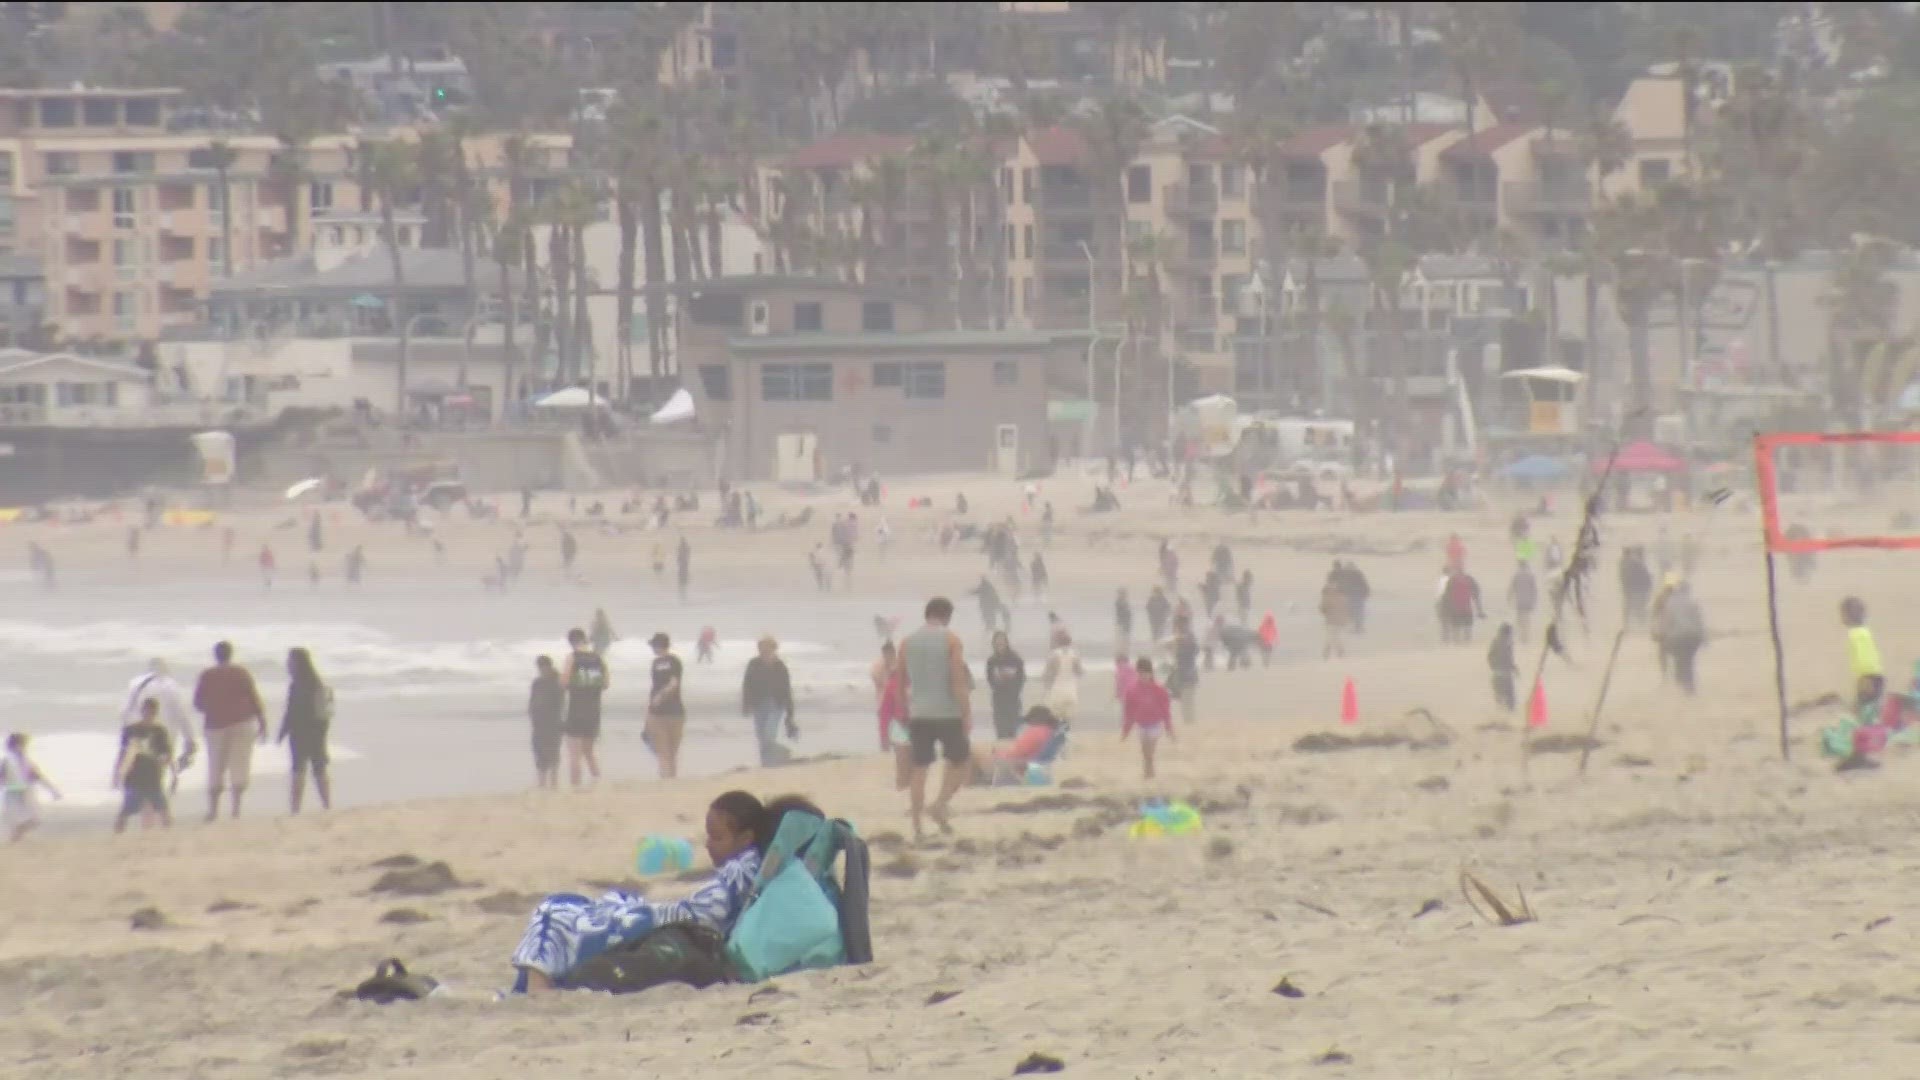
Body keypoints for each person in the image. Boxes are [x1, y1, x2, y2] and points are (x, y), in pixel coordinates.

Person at [509, 790, 771, 994]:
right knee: (593, 904)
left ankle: (538, 986)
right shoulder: (750, 869)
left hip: (675, 927)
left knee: (557, 909)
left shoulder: (740, 872)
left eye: (716, 837)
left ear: (746, 838)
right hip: (674, 923)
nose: (708, 845)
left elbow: (703, 915)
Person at [899, 597, 972, 841]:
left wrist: (903, 712)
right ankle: (939, 804)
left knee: (919, 768)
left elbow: (900, 682)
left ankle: (917, 828)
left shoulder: (906, 643)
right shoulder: (952, 640)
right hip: (948, 713)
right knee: (961, 761)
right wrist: (966, 711)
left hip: (919, 713)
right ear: (947, 616)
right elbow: (957, 678)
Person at [193, 641, 266, 822]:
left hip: (215, 725)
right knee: (239, 764)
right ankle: (235, 810)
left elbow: (198, 702)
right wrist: (262, 722)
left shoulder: (207, 675)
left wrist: (213, 708)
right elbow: (254, 697)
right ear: (231, 654)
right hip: (241, 722)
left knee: (215, 766)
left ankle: (213, 811)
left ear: (215, 655)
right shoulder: (241, 673)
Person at [277, 647, 333, 814]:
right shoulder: (317, 683)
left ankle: (295, 809)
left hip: (300, 731)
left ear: (297, 663)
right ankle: (327, 804)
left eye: (290, 661)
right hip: (317, 731)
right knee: (319, 769)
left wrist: (283, 731)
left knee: (298, 770)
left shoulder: (298, 685)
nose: (287, 664)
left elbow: (292, 711)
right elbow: (325, 712)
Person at [120, 659, 196, 777]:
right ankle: (156, 791)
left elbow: (125, 712)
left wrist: (126, 733)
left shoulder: (135, 684)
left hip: (139, 731)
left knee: (138, 766)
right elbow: (182, 714)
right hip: (164, 733)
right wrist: (189, 739)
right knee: (159, 770)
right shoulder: (172, 686)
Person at [113, 698, 173, 832]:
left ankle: (169, 836)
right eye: (147, 711)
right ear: (142, 711)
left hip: (153, 776)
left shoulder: (159, 731)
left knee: (163, 809)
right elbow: (123, 754)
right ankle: (117, 835)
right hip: (134, 776)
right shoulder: (131, 730)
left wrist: (171, 771)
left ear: (155, 713)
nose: (149, 715)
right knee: (126, 810)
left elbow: (167, 754)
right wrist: (117, 774)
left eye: (151, 712)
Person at [563, 628, 609, 788]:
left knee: (574, 753)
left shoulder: (572, 658)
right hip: (593, 710)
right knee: (589, 751)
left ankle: (575, 786)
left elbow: (565, 682)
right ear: (585, 640)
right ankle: (598, 780)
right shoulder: (597, 658)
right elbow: (605, 684)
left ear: (571, 642)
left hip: (576, 709)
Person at [741, 636, 798, 767]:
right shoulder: (753, 664)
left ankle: (783, 752)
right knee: (761, 738)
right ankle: (766, 764)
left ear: (773, 649)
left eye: (767, 649)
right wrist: (746, 704)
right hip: (758, 705)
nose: (764, 652)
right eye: (761, 649)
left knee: (768, 736)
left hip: (776, 705)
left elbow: (786, 690)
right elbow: (747, 684)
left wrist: (790, 714)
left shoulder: (780, 667)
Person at [1120, 657, 1174, 780]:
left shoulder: (1160, 690)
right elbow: (1129, 713)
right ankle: (1148, 772)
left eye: (1146, 673)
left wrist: (1169, 728)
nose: (1143, 676)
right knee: (1145, 753)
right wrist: (1125, 731)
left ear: (1151, 673)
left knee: (1150, 751)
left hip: (1155, 724)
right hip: (1141, 725)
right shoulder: (1132, 691)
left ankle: (1149, 774)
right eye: (1140, 673)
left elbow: (1166, 711)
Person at [2, 732, 59, 841]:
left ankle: (16, 835)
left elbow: (38, 776)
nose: (23, 748)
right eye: (20, 745)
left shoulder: (27, 761)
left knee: (35, 819)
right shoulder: (7, 761)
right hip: (12, 793)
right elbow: (2, 777)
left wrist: (52, 790)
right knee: (18, 819)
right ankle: (15, 838)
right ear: (12, 746)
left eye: (24, 745)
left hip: (27, 791)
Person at [647, 632, 686, 779]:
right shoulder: (675, 661)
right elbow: (674, 683)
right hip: (677, 711)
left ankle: (665, 780)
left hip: (659, 712)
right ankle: (672, 780)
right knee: (672, 752)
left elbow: (670, 684)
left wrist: (658, 697)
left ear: (657, 646)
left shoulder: (657, 663)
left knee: (662, 751)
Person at [1658, 582, 1706, 694]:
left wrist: (1662, 635)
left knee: (1680, 660)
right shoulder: (1692, 602)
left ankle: (1682, 683)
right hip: (1693, 637)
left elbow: (1666, 622)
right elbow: (1699, 621)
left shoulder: (1669, 603)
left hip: (1676, 637)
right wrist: (1703, 638)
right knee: (1688, 661)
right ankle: (1689, 685)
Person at [529, 656, 565, 789]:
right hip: (539, 723)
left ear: (549, 667)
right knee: (539, 752)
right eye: (540, 668)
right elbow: (532, 702)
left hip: (554, 722)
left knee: (553, 752)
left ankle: (554, 783)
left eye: (543, 667)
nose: (542, 670)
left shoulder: (557, 681)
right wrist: (533, 718)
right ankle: (541, 783)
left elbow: (560, 704)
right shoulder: (537, 683)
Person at [984, 631, 1027, 741]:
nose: (1000, 645)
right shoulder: (991, 661)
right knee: (1000, 732)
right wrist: (998, 686)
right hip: (998, 700)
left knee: (1012, 732)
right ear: (993, 644)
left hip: (1013, 700)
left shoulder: (1015, 659)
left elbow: (1021, 678)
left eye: (1002, 643)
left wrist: (1014, 691)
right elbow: (990, 679)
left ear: (1006, 643)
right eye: (997, 643)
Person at [1042, 629, 1083, 724]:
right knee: (1067, 717)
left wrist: (1046, 685)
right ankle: (1065, 733)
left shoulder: (1053, 655)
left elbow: (1048, 673)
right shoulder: (1074, 654)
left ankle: (1059, 735)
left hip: (1057, 688)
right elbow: (1079, 672)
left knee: (1056, 715)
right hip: (1070, 689)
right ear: (1070, 642)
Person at [1167, 615, 1201, 727]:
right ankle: (1189, 722)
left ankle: (1189, 723)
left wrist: (1180, 643)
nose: (1175, 628)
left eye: (1176, 625)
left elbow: (1193, 651)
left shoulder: (1187, 638)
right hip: (1183, 673)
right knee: (1185, 701)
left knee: (1187, 701)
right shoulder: (1181, 638)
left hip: (1187, 673)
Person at [1488, 623, 1518, 713]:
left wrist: (1513, 667)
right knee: (1508, 694)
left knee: (1500, 693)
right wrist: (1511, 667)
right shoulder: (1504, 642)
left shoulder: (1498, 641)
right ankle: (1508, 711)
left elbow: (1490, 656)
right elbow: (1506, 657)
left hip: (1499, 671)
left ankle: (1502, 711)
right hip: (1502, 672)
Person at [1320, 577, 1351, 659]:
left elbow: (1323, 608)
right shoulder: (1342, 596)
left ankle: (1333, 650)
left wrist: (1323, 610)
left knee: (1332, 635)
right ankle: (1330, 650)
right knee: (1333, 635)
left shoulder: (1327, 596)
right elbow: (1346, 608)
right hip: (1340, 620)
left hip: (1331, 620)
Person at [1508, 561, 1539, 642]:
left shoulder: (1516, 576)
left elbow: (1511, 589)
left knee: (1520, 618)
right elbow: (1534, 590)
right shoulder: (1531, 576)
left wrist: (1509, 599)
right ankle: (1525, 636)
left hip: (1519, 601)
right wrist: (1534, 601)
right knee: (1526, 618)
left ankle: (1522, 635)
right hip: (1528, 602)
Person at [676, 535, 692, 601]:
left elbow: (680, 553)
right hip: (684, 560)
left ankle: (682, 580)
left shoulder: (682, 546)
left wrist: (678, 558)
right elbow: (687, 552)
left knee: (682, 570)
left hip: (683, 560)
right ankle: (683, 579)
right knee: (683, 570)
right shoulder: (685, 546)